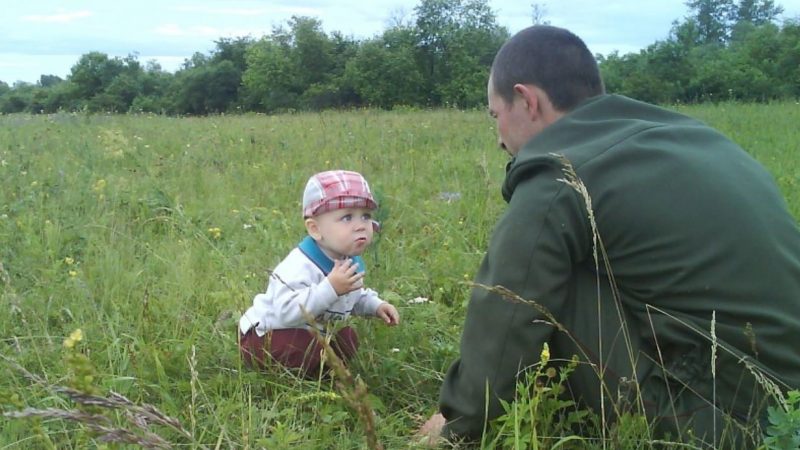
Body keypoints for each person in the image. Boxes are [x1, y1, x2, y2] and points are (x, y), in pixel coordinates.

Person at [419, 25, 800, 448]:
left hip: (729, 428)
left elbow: (508, 309)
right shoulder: (691, 137)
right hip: (789, 410)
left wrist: (457, 425)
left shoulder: (560, 172)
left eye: (496, 115)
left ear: (527, 101)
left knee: (550, 277)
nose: (499, 140)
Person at [239, 170, 399, 378]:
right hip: (266, 336)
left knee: (347, 338)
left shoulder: (349, 260)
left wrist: (375, 306)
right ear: (315, 229)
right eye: (347, 217)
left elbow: (353, 296)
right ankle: (291, 378)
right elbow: (286, 312)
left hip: (308, 335)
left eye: (366, 216)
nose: (360, 226)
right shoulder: (300, 265)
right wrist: (330, 288)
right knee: (303, 346)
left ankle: (319, 372)